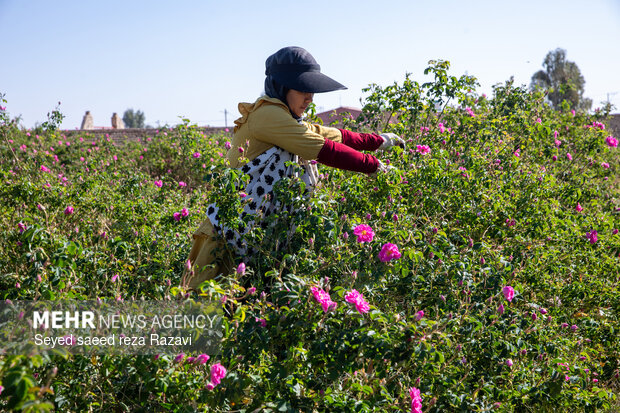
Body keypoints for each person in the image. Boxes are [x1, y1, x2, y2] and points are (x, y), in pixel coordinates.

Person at [181, 46, 404, 290]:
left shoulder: (284, 118)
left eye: (312, 91)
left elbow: (327, 133)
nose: (310, 98)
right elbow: (320, 147)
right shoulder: (268, 115)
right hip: (229, 236)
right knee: (212, 313)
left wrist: (377, 141)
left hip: (255, 236)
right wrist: (375, 167)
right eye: (302, 89)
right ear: (281, 86)